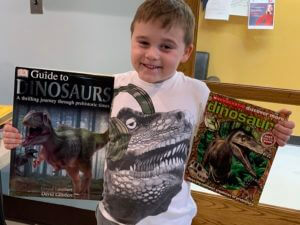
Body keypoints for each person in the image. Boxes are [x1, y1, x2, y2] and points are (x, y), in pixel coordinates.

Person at [3, 0, 295, 225]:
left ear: (186, 52)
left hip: (173, 218)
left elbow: (224, 142)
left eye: (166, 46)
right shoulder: (110, 88)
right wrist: (17, 138)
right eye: (143, 42)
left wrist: (270, 132)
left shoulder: (198, 93)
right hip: (110, 217)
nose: (152, 54)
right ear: (131, 40)